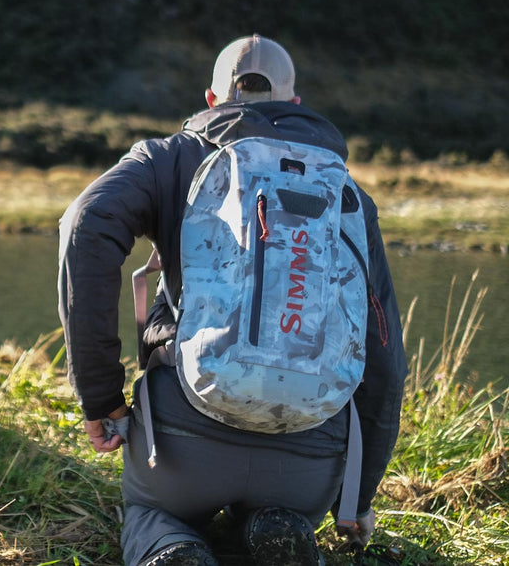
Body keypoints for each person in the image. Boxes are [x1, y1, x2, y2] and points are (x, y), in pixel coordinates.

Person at [57, 35, 406, 566]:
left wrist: (100, 396)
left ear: (211, 100)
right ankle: (273, 525)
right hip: (308, 457)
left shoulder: (168, 158)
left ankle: (171, 545)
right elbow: (382, 352)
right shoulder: (347, 192)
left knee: (154, 516)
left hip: (182, 444)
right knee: (282, 516)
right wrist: (357, 498)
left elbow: (86, 224)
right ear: (294, 104)